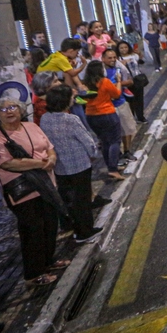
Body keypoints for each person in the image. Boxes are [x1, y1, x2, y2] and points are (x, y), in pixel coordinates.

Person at [0, 98, 67, 286]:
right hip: (22, 191)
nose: (9, 111)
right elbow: (7, 163)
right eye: (3, 109)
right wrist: (41, 163)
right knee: (32, 231)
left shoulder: (31, 126)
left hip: (45, 186)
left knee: (50, 224)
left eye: (12, 107)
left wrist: (52, 159)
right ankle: (34, 274)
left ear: (21, 109)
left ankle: (48, 261)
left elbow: (49, 148)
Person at [40, 85, 102, 244]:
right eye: (71, 97)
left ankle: (74, 228)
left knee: (68, 199)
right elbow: (88, 142)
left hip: (60, 167)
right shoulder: (71, 120)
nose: (73, 99)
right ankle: (85, 232)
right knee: (82, 199)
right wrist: (93, 154)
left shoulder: (45, 118)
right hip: (79, 165)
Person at [83, 60, 125, 181]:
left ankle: (111, 166)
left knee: (105, 142)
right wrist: (118, 81)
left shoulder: (85, 84)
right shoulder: (104, 81)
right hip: (107, 114)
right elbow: (116, 94)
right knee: (115, 141)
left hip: (91, 116)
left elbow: (82, 99)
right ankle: (113, 169)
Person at [101, 50, 137, 163]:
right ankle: (117, 155)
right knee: (112, 133)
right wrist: (115, 85)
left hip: (121, 103)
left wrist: (118, 83)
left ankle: (127, 151)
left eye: (114, 57)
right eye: (109, 58)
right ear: (103, 59)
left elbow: (130, 81)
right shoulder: (100, 72)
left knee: (127, 128)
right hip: (107, 106)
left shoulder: (120, 69)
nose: (112, 60)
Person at [117, 41, 146, 122]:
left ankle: (141, 117)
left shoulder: (134, 56)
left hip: (137, 80)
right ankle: (132, 118)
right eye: (121, 48)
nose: (124, 49)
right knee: (130, 101)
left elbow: (142, 61)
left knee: (139, 99)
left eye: (125, 47)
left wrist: (140, 54)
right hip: (127, 83)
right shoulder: (117, 59)